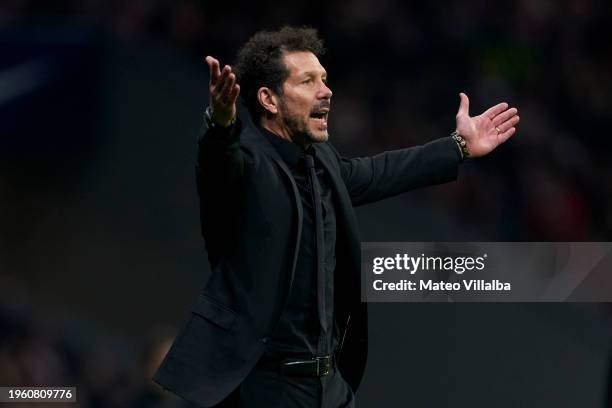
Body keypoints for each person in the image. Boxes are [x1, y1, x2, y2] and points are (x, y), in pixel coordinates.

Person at [153, 26, 519, 408]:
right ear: (269, 99)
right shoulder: (244, 162)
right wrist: (221, 121)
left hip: (328, 388)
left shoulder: (322, 163)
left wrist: (458, 146)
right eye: (308, 81)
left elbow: (379, 172)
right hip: (265, 390)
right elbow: (218, 164)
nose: (326, 91)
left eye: (324, 80)